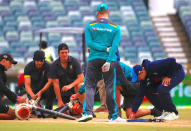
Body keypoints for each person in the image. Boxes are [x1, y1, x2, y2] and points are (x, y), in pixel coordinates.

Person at [78, 3, 123, 122]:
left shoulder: (90, 26)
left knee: (90, 86)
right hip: (109, 60)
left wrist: (101, 49)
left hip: (93, 59)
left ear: (97, 13)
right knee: (109, 87)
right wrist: (108, 59)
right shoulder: (116, 27)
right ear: (108, 12)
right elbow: (114, 47)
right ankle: (113, 116)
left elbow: (90, 44)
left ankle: (87, 112)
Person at [50, 43, 84, 108]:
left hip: (74, 90)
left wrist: (70, 86)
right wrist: (59, 101)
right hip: (63, 92)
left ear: (68, 52)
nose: (64, 55)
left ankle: (81, 108)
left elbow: (81, 78)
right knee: (66, 112)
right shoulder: (54, 65)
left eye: (66, 52)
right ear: (58, 54)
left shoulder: (75, 61)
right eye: (62, 53)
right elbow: (56, 84)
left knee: (80, 85)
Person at [0, 53, 26, 119]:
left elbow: (3, 91)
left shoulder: (3, 74)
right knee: (13, 115)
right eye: (10, 63)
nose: (11, 66)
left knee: (13, 114)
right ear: (3, 61)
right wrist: (16, 98)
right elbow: (2, 87)